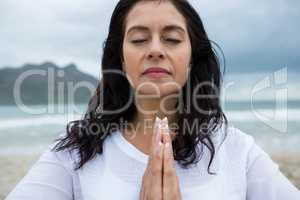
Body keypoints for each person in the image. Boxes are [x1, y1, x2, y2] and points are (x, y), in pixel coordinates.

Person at [6, 0, 300, 199]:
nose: (156, 49)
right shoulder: (75, 152)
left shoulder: (235, 149)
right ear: (120, 59)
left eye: (172, 39)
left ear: (191, 59)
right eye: (138, 39)